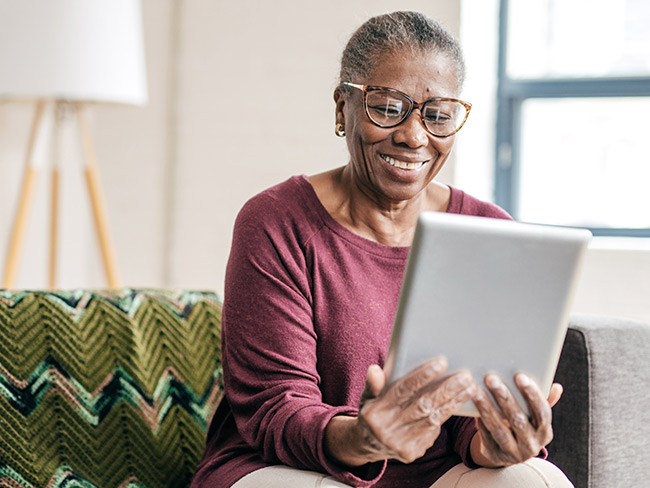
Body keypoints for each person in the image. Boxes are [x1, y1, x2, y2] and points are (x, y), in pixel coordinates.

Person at [191, 11, 574, 488]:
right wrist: (364, 439)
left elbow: (468, 411)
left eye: (437, 115)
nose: (414, 136)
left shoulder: (487, 230)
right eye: (389, 107)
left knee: (534, 478)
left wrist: (493, 443)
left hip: (436, 475)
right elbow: (276, 409)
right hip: (291, 468)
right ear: (341, 107)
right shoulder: (276, 222)